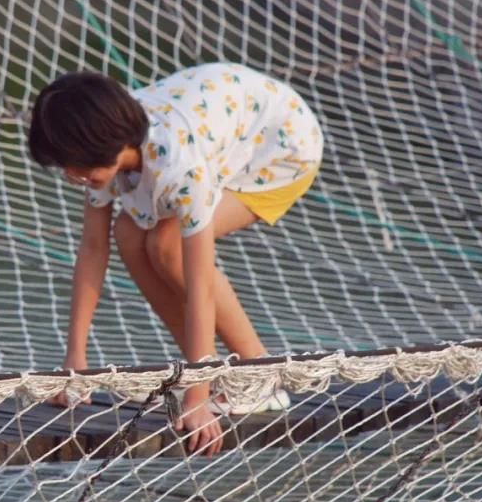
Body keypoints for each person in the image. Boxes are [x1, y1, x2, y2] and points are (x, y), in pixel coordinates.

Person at [28, 63, 324, 457]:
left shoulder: (180, 166)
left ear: (108, 144)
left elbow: (199, 284)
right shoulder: (104, 157)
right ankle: (215, 371)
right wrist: (75, 362)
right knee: (130, 235)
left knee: (165, 245)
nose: (71, 175)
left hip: (281, 149)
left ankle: (258, 375)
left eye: (76, 165)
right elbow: (93, 249)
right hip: (224, 130)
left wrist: (197, 399)